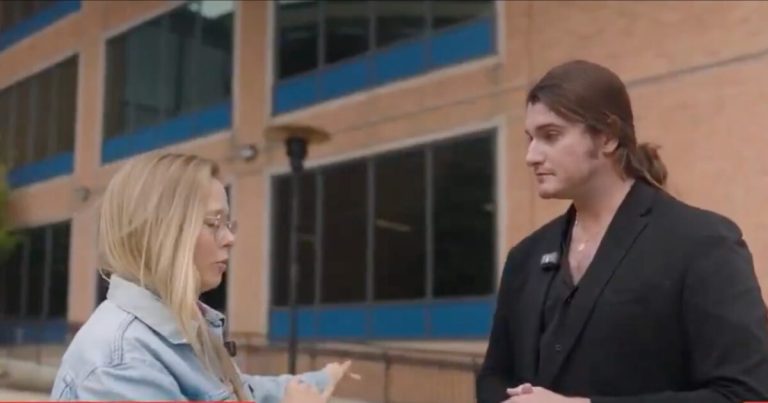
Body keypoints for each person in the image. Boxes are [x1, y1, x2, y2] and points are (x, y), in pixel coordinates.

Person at [476, 60, 768, 403]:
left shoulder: (703, 243)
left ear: (608, 137)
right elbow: (493, 378)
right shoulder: (524, 257)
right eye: (530, 138)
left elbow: (746, 393)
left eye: (550, 136)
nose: (531, 156)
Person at [50, 153, 350, 402]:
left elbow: (244, 389)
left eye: (228, 223)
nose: (230, 238)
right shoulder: (121, 361)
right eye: (214, 222)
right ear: (161, 230)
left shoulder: (183, 326)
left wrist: (319, 379)